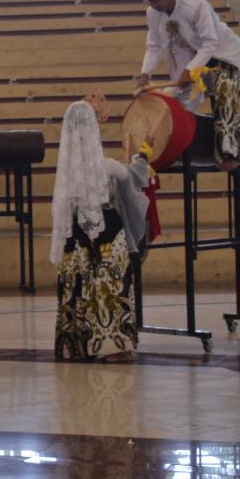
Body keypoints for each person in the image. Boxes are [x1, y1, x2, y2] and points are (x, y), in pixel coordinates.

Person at [133, 0, 240, 171]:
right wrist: (145, 74)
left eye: (155, 0)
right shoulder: (153, 13)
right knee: (171, 102)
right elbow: (154, 46)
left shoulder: (196, 5)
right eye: (149, 2)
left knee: (223, 82)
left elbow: (210, 43)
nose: (153, 6)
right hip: (195, 64)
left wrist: (190, 69)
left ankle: (230, 151)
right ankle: (161, 150)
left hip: (227, 59)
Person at [50, 100, 151, 363]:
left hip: (75, 235)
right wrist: (143, 154)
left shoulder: (66, 173)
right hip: (107, 230)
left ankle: (75, 345)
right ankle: (113, 348)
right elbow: (134, 178)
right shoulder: (105, 165)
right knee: (111, 285)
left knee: (78, 285)